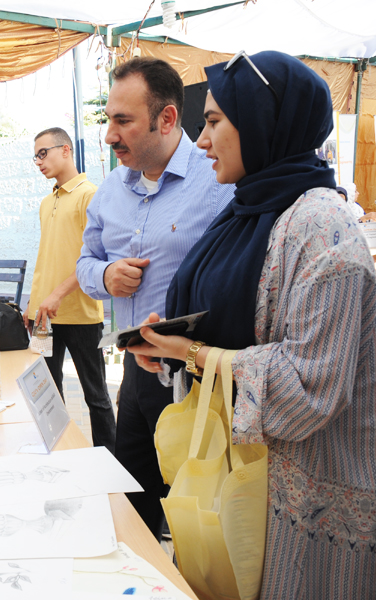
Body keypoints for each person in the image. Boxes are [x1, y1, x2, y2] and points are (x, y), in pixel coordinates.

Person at [127, 51, 376, 598]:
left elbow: (310, 385)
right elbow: (231, 319)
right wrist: (172, 345)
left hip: (306, 493)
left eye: (214, 121)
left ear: (264, 122)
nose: (201, 141)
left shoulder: (323, 228)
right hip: (251, 480)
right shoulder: (251, 208)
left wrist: (194, 355)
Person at [75, 56, 235, 540]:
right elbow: (85, 264)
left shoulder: (219, 181)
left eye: (123, 121)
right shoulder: (109, 191)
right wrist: (106, 276)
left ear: (166, 119)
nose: (109, 135)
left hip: (197, 380)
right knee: (131, 507)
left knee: (196, 521)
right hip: (136, 374)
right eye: (108, 119)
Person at [23, 127, 115, 453]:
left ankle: (109, 459)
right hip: (43, 316)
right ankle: (60, 456)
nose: (38, 161)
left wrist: (57, 295)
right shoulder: (46, 202)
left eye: (43, 153)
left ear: (65, 150)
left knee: (96, 396)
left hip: (81, 315)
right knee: (48, 394)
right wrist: (34, 303)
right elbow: (47, 257)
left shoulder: (90, 195)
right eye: (35, 156)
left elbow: (96, 256)